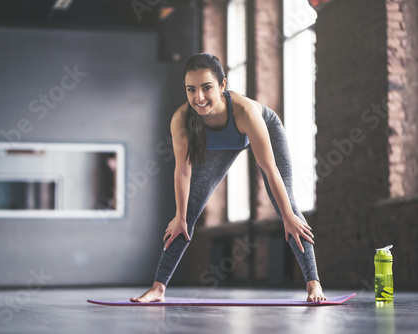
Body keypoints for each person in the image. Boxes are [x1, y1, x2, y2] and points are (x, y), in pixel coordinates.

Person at [130, 53, 327, 303]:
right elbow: (182, 170)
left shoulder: (245, 111)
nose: (198, 98)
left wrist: (287, 217)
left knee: (288, 208)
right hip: (226, 144)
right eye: (191, 90)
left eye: (206, 88)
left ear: (223, 85)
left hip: (263, 129)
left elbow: (269, 169)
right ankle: (158, 288)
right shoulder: (182, 120)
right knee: (185, 215)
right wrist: (179, 216)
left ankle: (313, 284)